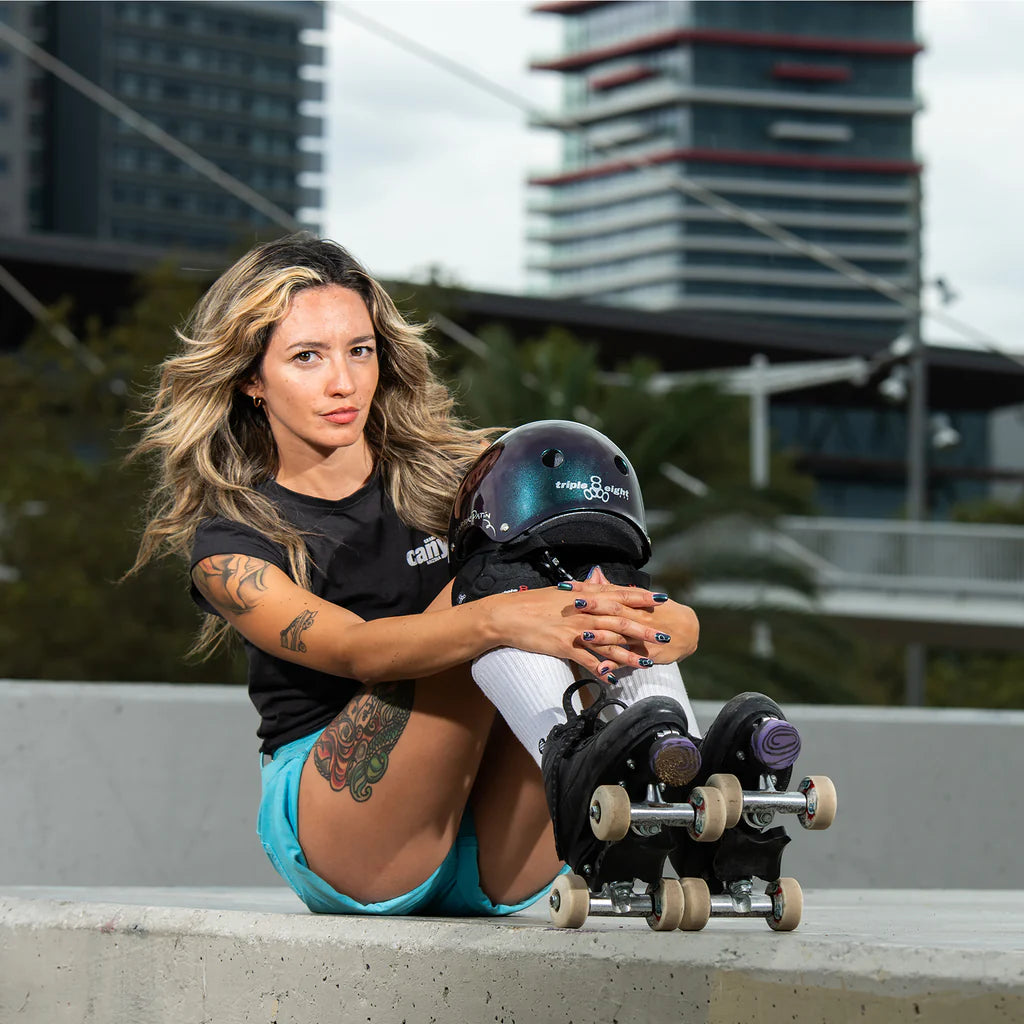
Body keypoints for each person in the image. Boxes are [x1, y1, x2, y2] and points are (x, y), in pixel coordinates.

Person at [129, 233, 704, 917]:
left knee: (549, 524)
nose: (342, 382)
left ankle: (667, 763)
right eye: (306, 357)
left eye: (359, 351)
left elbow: (662, 617)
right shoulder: (232, 544)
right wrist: (497, 611)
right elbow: (354, 649)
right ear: (252, 378)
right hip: (354, 831)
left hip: (498, 847)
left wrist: (649, 625)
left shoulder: (468, 478)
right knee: (500, 580)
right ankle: (603, 750)